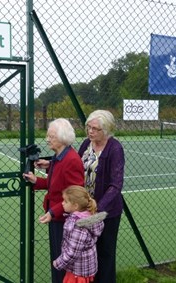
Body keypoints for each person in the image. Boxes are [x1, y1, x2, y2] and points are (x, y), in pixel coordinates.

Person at [23, 118, 84, 283]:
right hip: (57, 216)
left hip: (63, 219)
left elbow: (75, 196)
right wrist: (37, 181)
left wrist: (53, 211)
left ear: (63, 138)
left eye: (51, 136)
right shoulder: (59, 157)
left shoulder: (70, 160)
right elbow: (55, 186)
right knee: (58, 259)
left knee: (62, 261)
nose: (47, 139)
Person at [78, 110, 125, 283]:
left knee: (105, 253)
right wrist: (50, 164)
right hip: (86, 209)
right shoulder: (86, 144)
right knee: (89, 253)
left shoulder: (115, 148)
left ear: (106, 130)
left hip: (106, 213)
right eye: (89, 127)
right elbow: (74, 166)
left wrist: (98, 206)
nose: (90, 131)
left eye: (95, 129)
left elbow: (116, 185)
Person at [53, 185, 107, 283]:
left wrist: (58, 263)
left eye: (65, 201)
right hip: (84, 268)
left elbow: (72, 253)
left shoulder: (78, 226)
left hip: (77, 272)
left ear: (75, 206)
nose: (62, 203)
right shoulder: (89, 218)